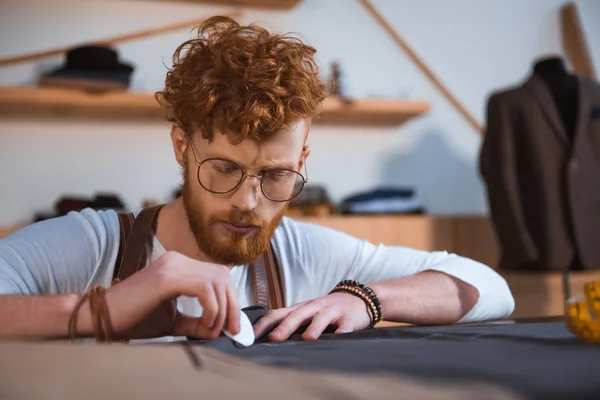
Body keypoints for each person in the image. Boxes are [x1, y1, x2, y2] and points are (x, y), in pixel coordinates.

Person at [0, 16, 514, 343]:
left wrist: (365, 299)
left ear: (303, 158)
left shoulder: (302, 252)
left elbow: (491, 290)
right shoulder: (92, 246)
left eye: (277, 176)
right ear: (183, 145)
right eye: (224, 168)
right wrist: (101, 309)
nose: (250, 202)